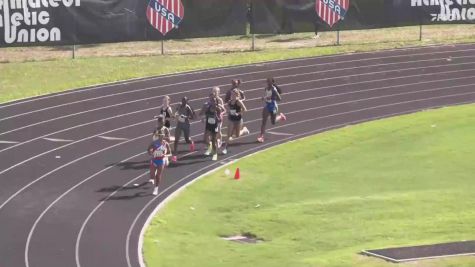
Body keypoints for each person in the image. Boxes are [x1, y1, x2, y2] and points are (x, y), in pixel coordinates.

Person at [258, 78, 286, 143]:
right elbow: (267, 97)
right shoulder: (266, 89)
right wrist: (264, 98)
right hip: (268, 106)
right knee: (263, 121)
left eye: (269, 82)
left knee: (273, 122)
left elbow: (279, 99)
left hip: (273, 107)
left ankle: (281, 117)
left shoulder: (274, 90)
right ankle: (261, 136)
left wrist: (271, 98)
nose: (268, 83)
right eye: (267, 82)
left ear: (272, 83)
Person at [222, 89, 249, 155]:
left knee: (237, 135)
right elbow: (229, 110)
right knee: (229, 134)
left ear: (237, 95)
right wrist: (228, 112)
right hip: (231, 119)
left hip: (238, 120)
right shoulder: (230, 102)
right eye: (231, 94)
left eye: (234, 94)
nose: (232, 95)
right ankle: (225, 148)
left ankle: (244, 130)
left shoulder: (238, 102)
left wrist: (238, 113)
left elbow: (245, 110)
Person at [200, 96, 224, 161]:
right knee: (205, 139)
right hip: (208, 125)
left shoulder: (218, 109)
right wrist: (204, 118)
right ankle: (210, 146)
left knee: (213, 141)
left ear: (216, 102)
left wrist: (216, 116)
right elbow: (203, 114)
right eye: (211, 101)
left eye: (214, 101)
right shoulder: (208, 108)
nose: (212, 102)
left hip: (214, 126)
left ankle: (215, 154)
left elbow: (220, 119)